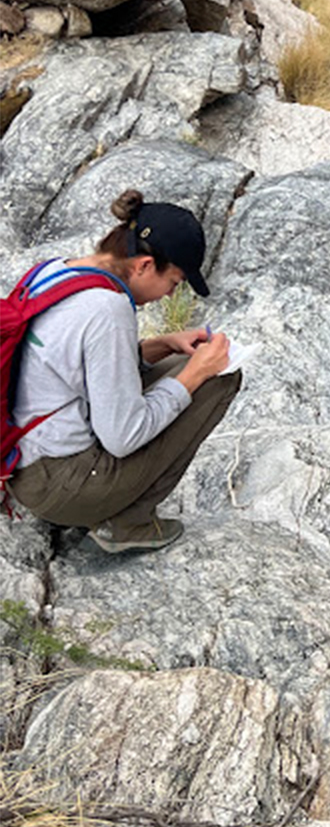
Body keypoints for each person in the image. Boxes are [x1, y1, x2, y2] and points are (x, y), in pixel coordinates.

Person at [8, 189, 242, 554]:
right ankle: (127, 521)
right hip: (60, 486)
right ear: (144, 265)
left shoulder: (56, 271)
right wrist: (196, 375)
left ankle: (108, 507)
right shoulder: (109, 308)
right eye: (174, 282)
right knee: (218, 379)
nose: (168, 295)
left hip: (23, 463)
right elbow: (123, 436)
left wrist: (161, 344)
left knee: (184, 366)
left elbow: (72, 366)